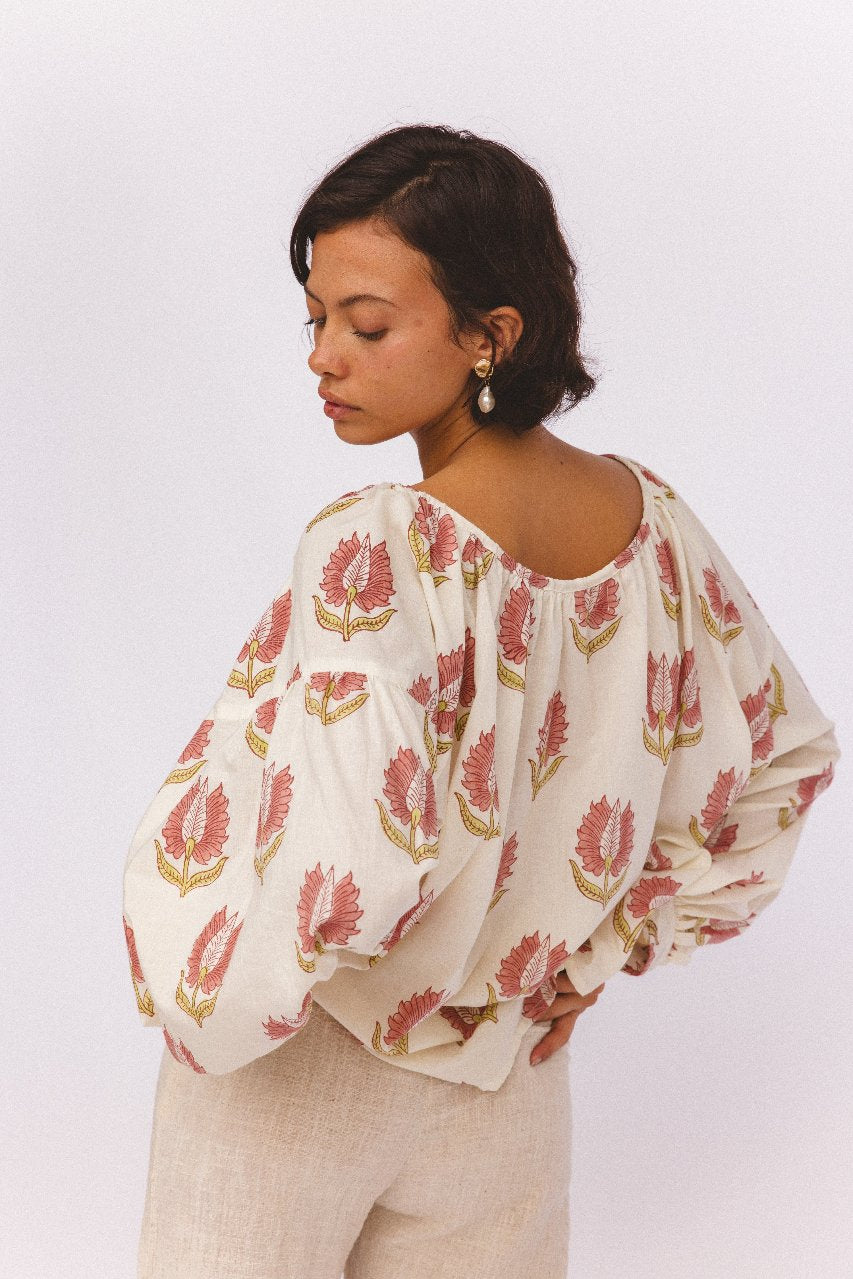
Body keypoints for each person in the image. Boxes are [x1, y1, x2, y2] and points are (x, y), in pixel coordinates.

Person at [123, 124, 841, 1279]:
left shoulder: (373, 545)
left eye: (366, 325)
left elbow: (353, 862)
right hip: (504, 1079)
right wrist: (599, 945)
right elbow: (785, 759)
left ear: (490, 334)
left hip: (303, 1058)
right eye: (315, 320)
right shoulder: (653, 527)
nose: (323, 357)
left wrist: (207, 982)